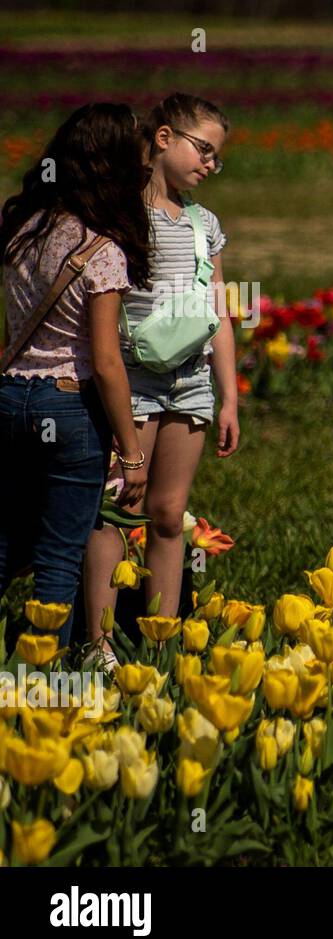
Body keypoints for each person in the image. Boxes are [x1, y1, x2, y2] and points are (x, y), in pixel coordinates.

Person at [83, 93, 240, 670]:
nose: (210, 164)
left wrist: (230, 397)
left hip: (190, 383)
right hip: (133, 383)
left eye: (217, 158)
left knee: (171, 514)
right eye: (204, 149)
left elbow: (218, 311)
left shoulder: (205, 224)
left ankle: (161, 640)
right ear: (165, 137)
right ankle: (98, 645)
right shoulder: (119, 215)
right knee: (119, 506)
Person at [0, 103, 151, 651]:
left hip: (10, 398)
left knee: (4, 546)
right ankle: (46, 680)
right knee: (58, 560)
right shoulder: (102, 249)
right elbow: (107, 362)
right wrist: (132, 455)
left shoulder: (21, 229)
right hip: (67, 409)